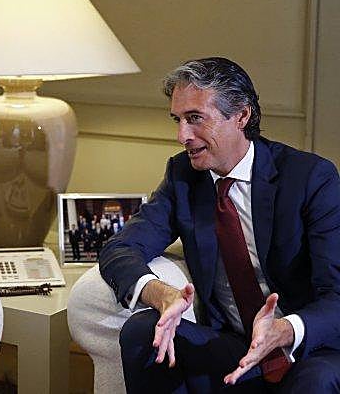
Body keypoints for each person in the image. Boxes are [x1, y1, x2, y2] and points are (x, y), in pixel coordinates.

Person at [99, 57, 340, 393]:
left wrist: (284, 330)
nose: (182, 135)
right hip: (233, 345)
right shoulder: (183, 176)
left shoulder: (310, 178)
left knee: (318, 381)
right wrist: (162, 294)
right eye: (178, 120)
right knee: (142, 332)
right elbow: (120, 248)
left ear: (241, 116)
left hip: (306, 350)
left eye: (195, 118)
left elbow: (336, 295)